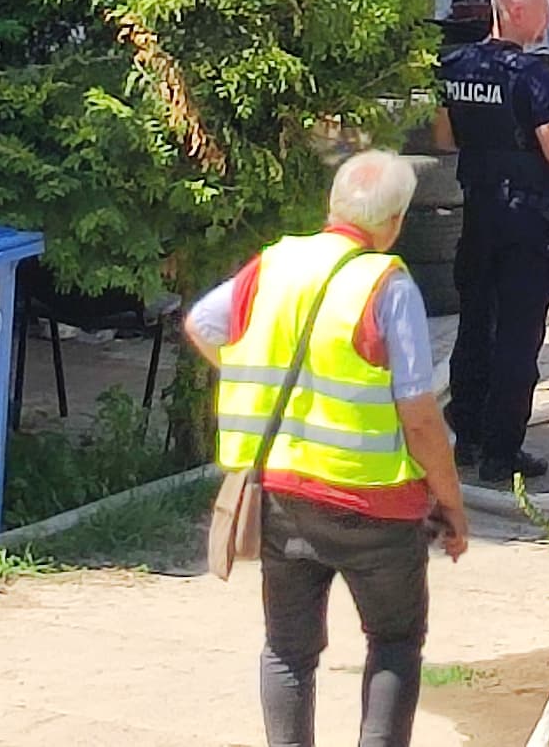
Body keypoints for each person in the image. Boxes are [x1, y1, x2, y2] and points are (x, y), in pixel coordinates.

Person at [184, 149, 473, 747]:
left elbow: (203, 325)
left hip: (283, 496)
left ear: (332, 207)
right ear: (394, 222)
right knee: (393, 640)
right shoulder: (387, 285)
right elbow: (419, 416)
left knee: (288, 651)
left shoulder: (272, 266)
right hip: (376, 508)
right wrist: (452, 503)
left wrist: (258, 381)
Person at [432, 0, 549, 485]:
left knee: (475, 325)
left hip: (477, 214)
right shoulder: (531, 74)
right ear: (518, 13)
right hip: (524, 221)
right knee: (518, 336)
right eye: (544, 10)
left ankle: (466, 436)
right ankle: (502, 450)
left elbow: (446, 135)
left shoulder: (455, 65)